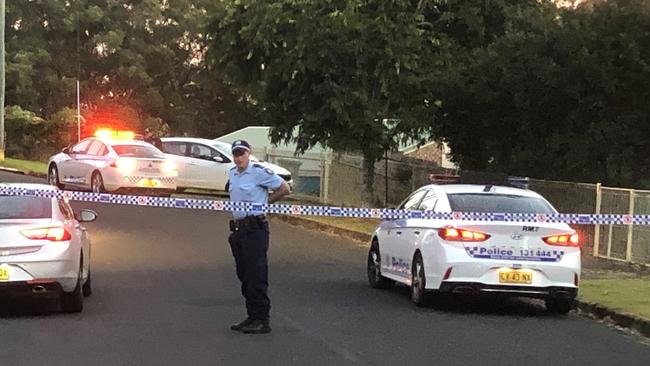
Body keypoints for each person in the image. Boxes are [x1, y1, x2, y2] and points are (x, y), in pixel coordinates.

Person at [228, 139, 290, 334]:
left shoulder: (258, 172)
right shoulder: (232, 174)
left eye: (242, 153)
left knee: (256, 274)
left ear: (249, 153)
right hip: (239, 230)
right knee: (244, 274)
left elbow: (284, 188)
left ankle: (262, 319)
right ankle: (252, 315)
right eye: (236, 154)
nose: (239, 158)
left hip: (255, 230)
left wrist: (265, 203)